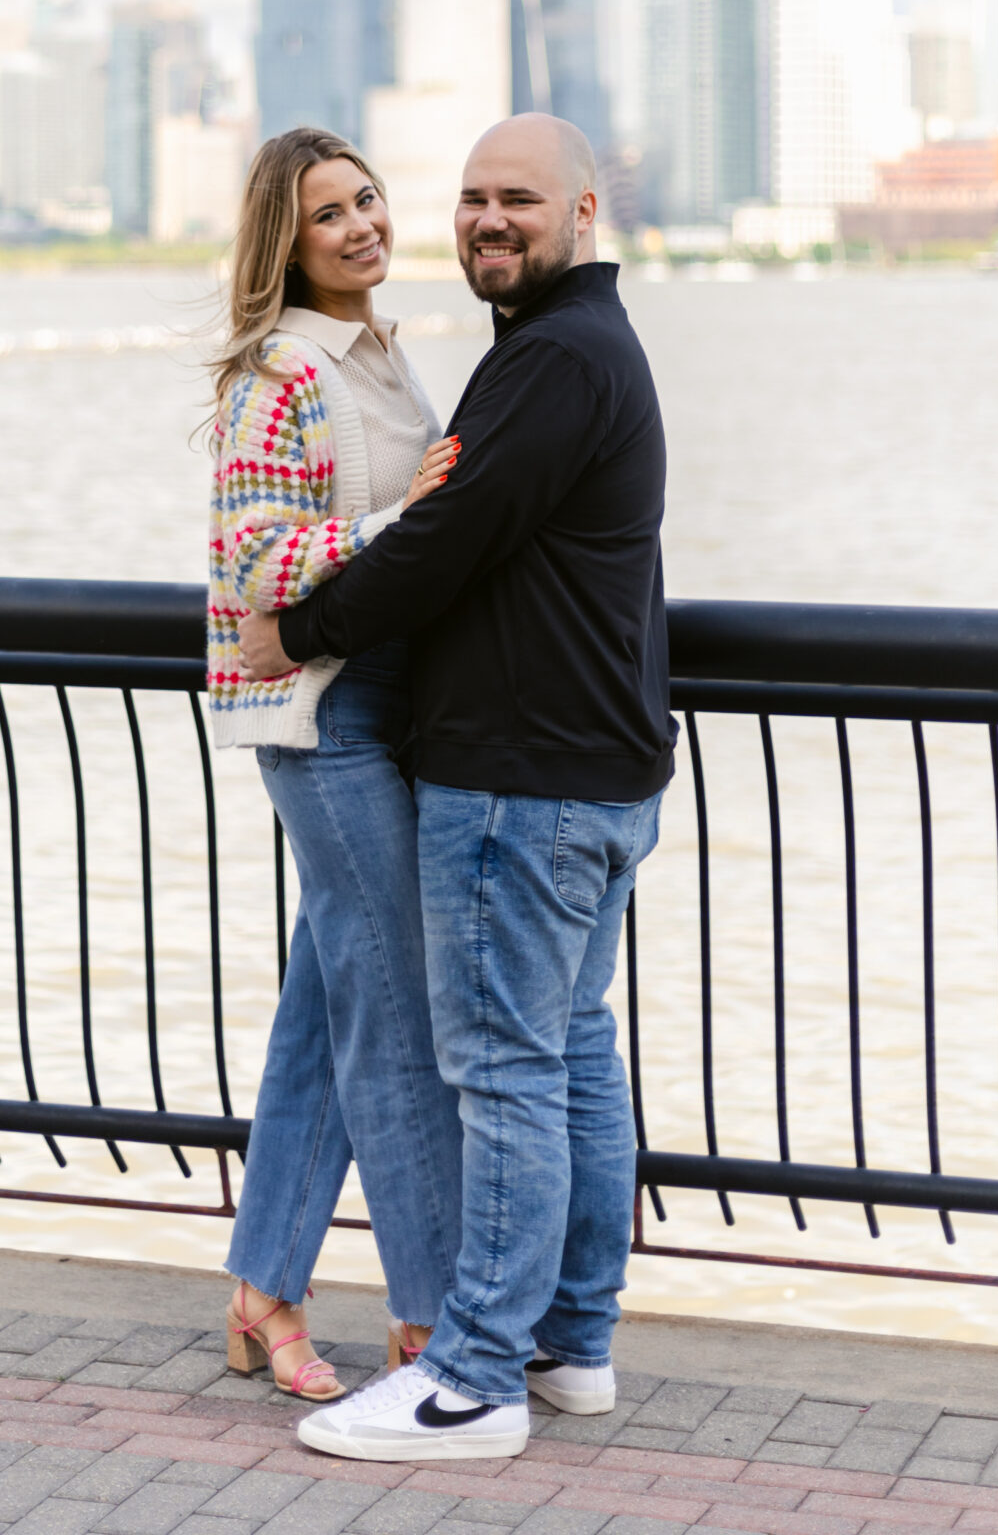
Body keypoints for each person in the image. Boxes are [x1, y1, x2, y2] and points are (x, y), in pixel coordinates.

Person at [240, 112, 675, 1463]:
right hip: (591, 771)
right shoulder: (565, 352)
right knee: (569, 1058)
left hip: (516, 780)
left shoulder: (549, 361)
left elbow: (444, 540)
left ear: (584, 212)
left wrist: (297, 632)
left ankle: (471, 1380)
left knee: (502, 1072)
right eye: (474, 198)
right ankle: (569, 1345)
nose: (489, 220)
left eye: (520, 201)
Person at [207, 125, 464, 1402]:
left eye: (369, 197)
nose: (362, 223)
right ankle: (428, 1323)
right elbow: (252, 556)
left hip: (383, 714)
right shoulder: (284, 371)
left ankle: (264, 1291)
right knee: (398, 1024)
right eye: (329, 214)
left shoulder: (382, 355)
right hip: (327, 721)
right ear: (287, 242)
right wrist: (399, 517)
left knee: (327, 1014)